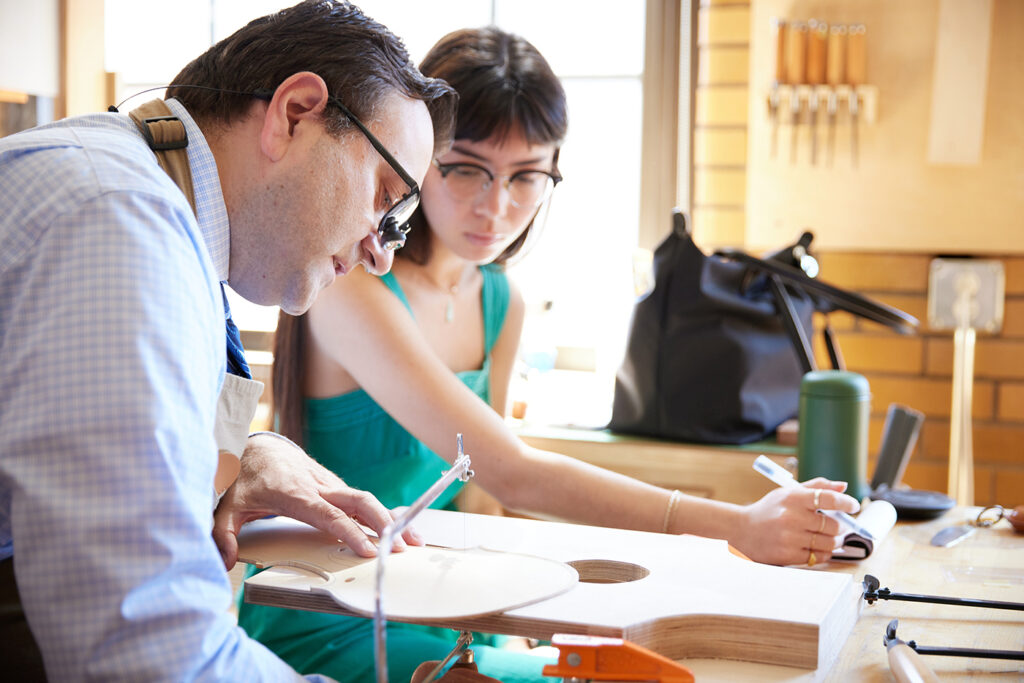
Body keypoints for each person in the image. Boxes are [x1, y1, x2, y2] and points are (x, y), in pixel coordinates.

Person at [242, 25, 861, 683]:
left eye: (526, 176)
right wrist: (735, 523)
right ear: (417, 153)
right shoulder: (351, 283)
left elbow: (481, 501)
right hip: (324, 613)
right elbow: (510, 470)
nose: (496, 206)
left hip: (435, 611)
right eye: (466, 168)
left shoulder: (501, 301)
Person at [0, 1, 458, 680]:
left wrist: (244, 448)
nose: (382, 252)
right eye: (385, 200)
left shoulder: (149, 199)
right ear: (295, 112)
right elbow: (145, 648)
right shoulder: (120, 224)